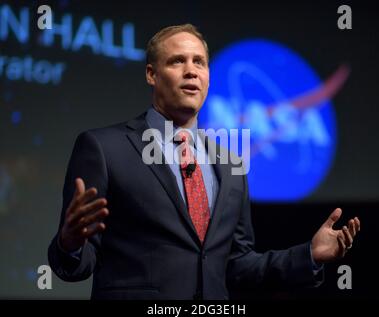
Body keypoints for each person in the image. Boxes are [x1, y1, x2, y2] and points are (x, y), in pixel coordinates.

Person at [48, 24, 360, 300]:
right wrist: (70, 243)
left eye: (199, 62)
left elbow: (238, 265)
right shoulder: (104, 148)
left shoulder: (230, 165)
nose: (191, 70)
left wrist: (309, 255)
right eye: (177, 61)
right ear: (151, 74)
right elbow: (79, 264)